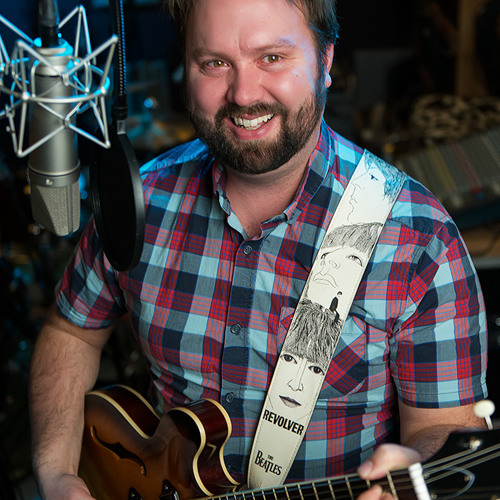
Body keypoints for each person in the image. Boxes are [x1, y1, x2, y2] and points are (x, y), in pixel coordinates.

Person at [28, 0, 488, 499]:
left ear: (326, 60)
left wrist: (417, 468)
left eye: (271, 57)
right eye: (214, 63)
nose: (244, 94)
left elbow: (444, 432)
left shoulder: (420, 238)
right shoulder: (142, 200)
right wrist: (57, 473)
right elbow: (70, 331)